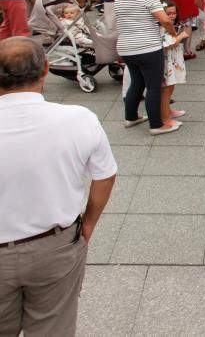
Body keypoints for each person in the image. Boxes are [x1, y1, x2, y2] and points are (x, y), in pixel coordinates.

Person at [0, 37, 117, 336]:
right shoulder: (78, 119)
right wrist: (89, 222)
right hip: (55, 244)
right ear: (46, 70)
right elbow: (105, 173)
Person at [115, 0, 181, 135]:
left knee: (136, 82)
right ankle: (156, 124)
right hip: (147, 46)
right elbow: (164, 19)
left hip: (125, 46)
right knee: (153, 85)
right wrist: (173, 33)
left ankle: (131, 116)